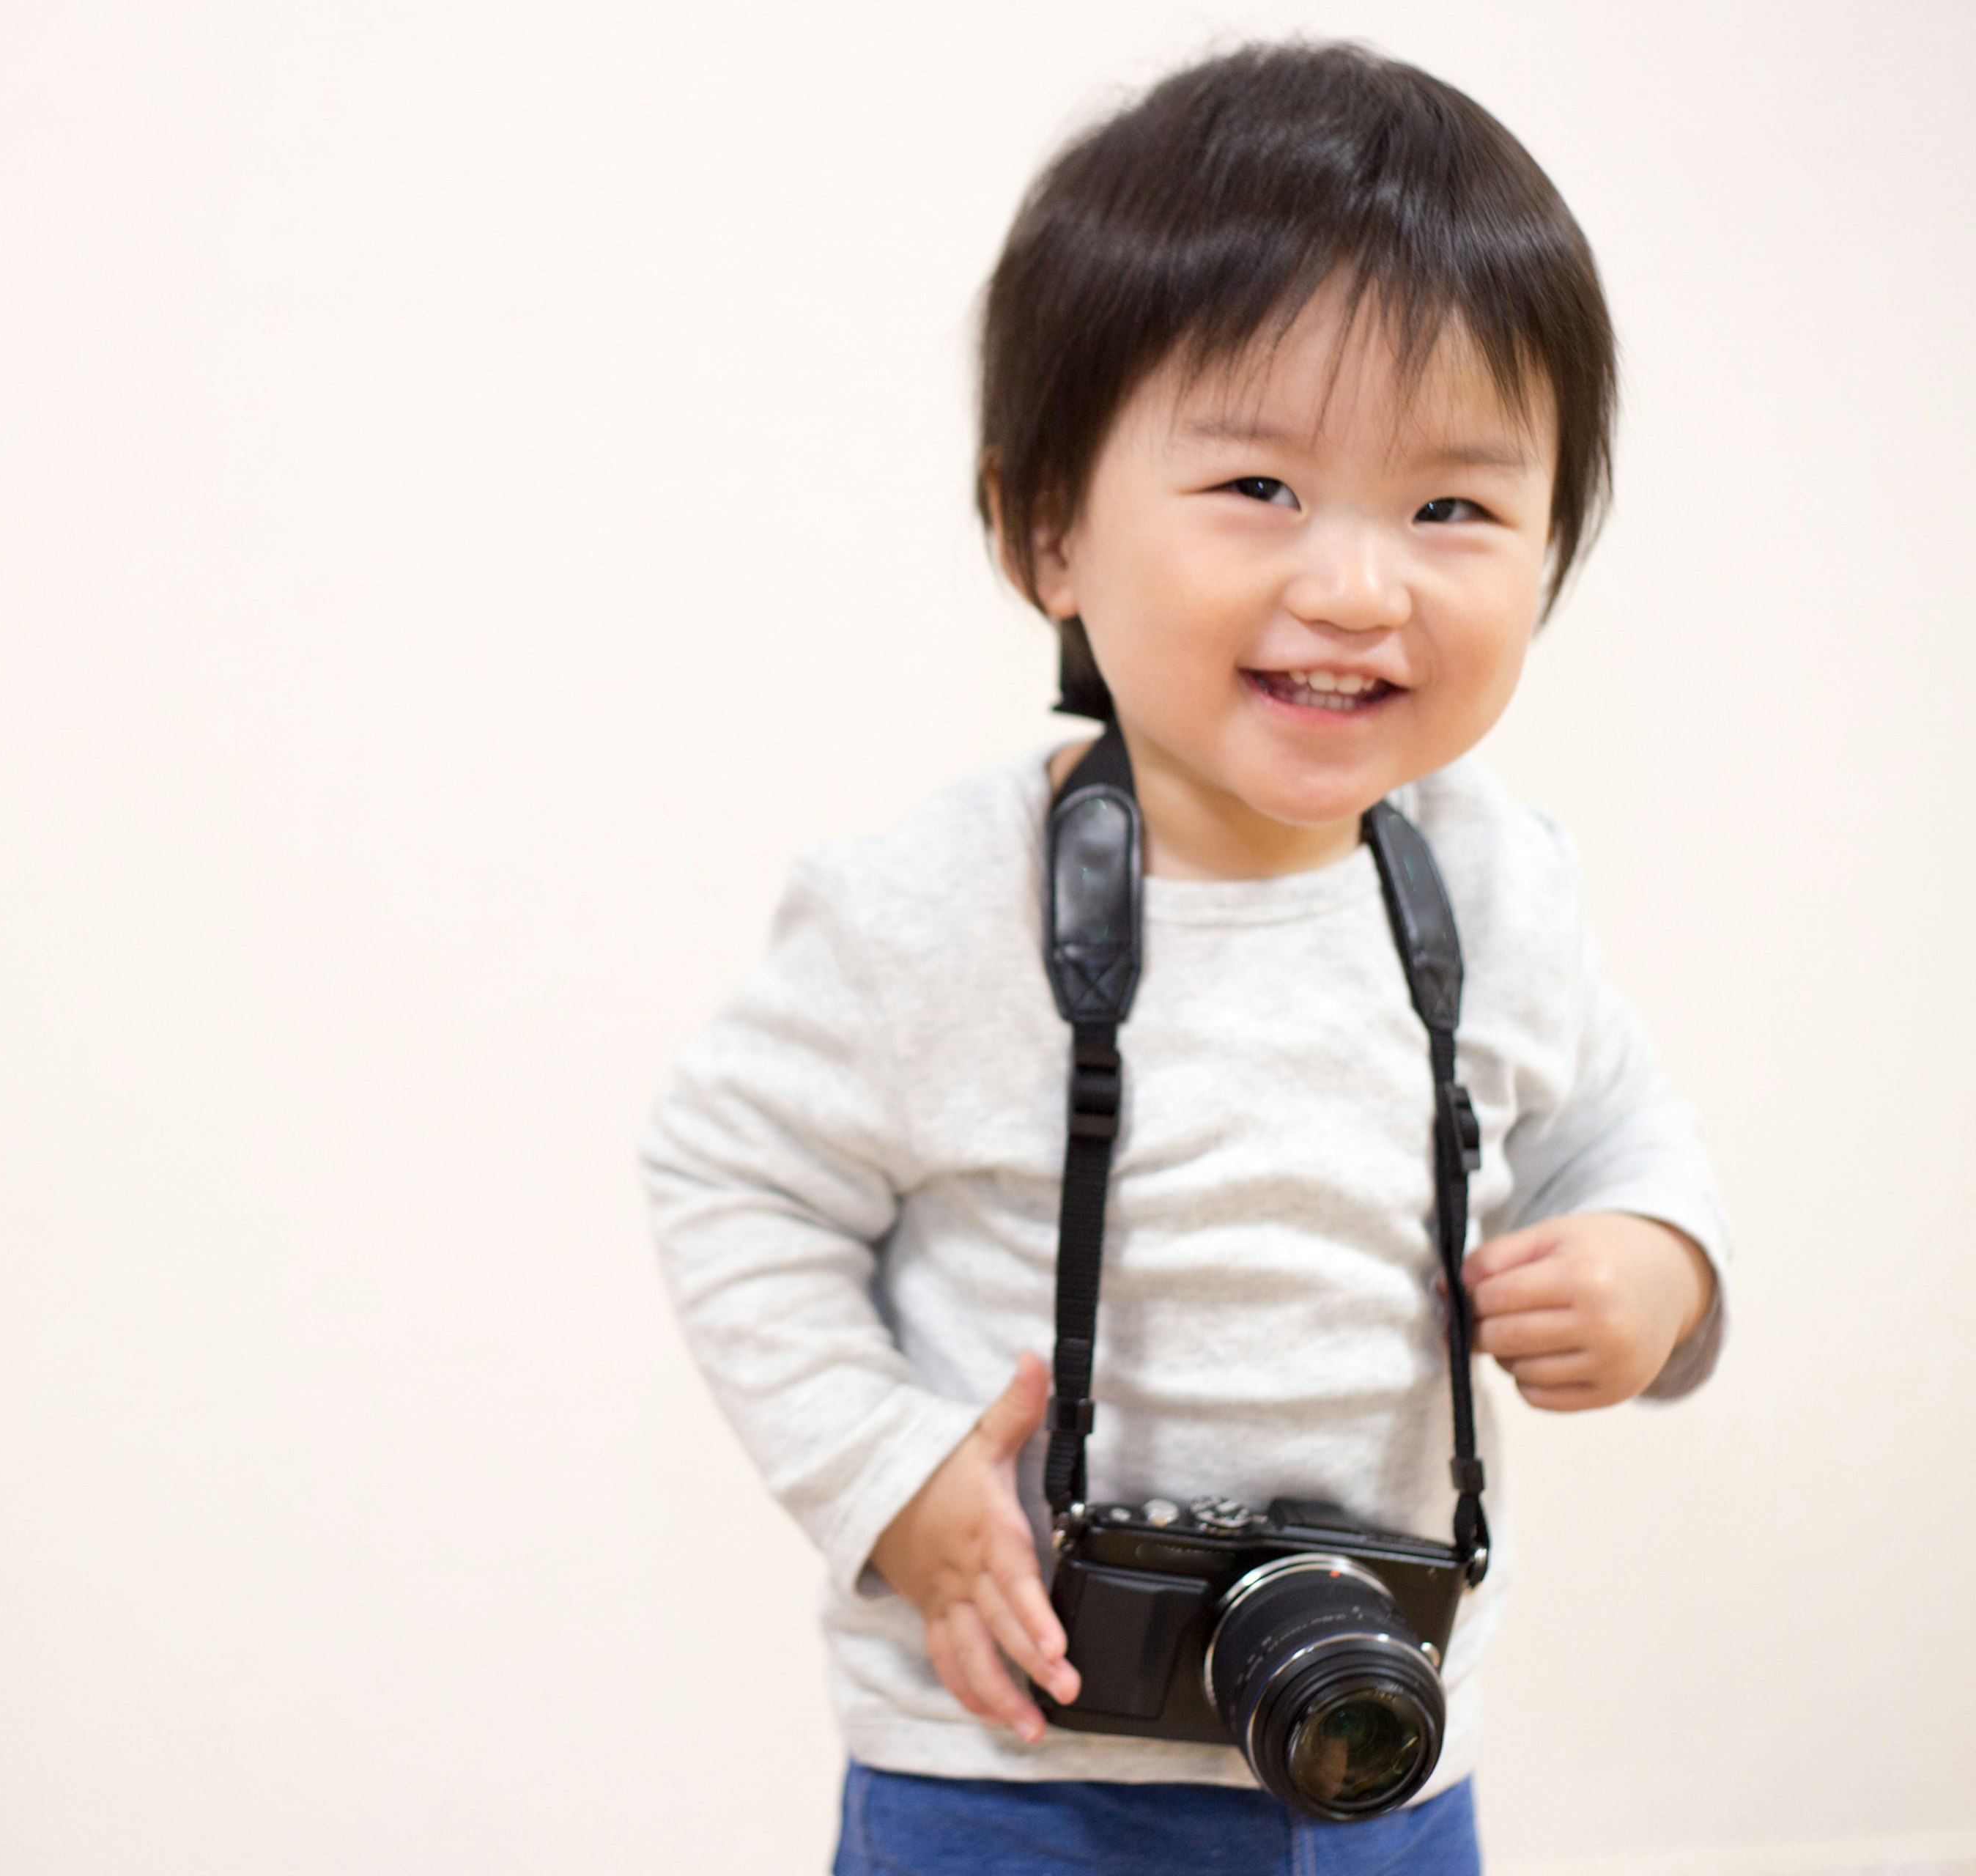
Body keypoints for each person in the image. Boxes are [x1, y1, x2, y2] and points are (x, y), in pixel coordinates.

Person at [640, 41, 1731, 1876]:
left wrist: (1656, 1268)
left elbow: (1628, 1130)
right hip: (1003, 1755)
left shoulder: (1498, 884)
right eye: (1260, 486)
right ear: (1045, 524)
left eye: (1454, 506)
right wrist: (891, 1483)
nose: (1362, 584)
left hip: (1376, 1723)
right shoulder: (933, 903)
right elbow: (727, 1175)